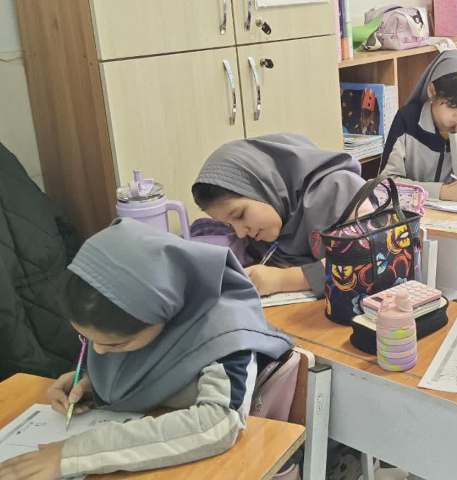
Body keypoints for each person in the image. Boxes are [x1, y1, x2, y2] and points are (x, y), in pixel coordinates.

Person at [0, 218, 292, 478]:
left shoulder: (227, 336)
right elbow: (139, 361)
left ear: (165, 313)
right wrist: (91, 382)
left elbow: (216, 425)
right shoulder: (133, 315)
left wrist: (75, 454)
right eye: (87, 339)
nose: (98, 352)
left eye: (116, 343)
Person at [192, 133, 366, 297]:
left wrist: (284, 280)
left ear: (265, 185)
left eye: (239, 215)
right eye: (230, 225)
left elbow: (366, 262)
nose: (240, 232)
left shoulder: (342, 190)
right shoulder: (268, 226)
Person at [381, 49, 457, 201]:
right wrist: (442, 192)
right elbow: (385, 184)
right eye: (452, 106)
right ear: (432, 91)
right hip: (411, 210)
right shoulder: (408, 119)